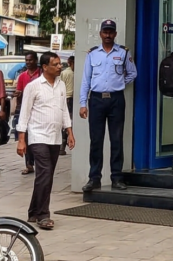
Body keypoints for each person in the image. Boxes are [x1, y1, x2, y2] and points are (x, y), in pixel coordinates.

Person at [15, 51, 74, 230]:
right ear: (45, 67)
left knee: (45, 175)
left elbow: (64, 110)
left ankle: (33, 211)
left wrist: (69, 132)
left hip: (55, 137)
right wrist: (21, 139)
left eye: (60, 64)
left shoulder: (61, 85)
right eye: (56, 64)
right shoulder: (33, 86)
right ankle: (43, 215)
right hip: (37, 136)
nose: (60, 67)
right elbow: (24, 113)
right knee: (45, 173)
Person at [79, 19, 136, 192]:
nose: (108, 35)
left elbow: (132, 73)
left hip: (116, 100)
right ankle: (94, 178)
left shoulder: (123, 52)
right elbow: (86, 80)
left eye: (111, 32)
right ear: (100, 34)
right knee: (96, 140)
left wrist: (119, 83)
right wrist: (83, 103)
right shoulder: (92, 54)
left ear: (115, 34)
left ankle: (117, 178)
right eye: (105, 32)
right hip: (96, 100)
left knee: (116, 139)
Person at [13, 52, 42, 174]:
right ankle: (29, 164)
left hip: (39, 109)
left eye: (30, 60)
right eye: (27, 60)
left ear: (36, 60)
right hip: (26, 109)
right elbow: (19, 90)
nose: (28, 62)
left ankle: (39, 163)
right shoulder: (22, 76)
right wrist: (18, 94)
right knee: (26, 137)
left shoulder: (41, 74)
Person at [58, 54, 75, 156]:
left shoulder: (63, 73)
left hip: (66, 98)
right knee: (68, 122)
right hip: (70, 99)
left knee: (66, 122)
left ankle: (62, 146)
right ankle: (63, 146)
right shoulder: (72, 74)